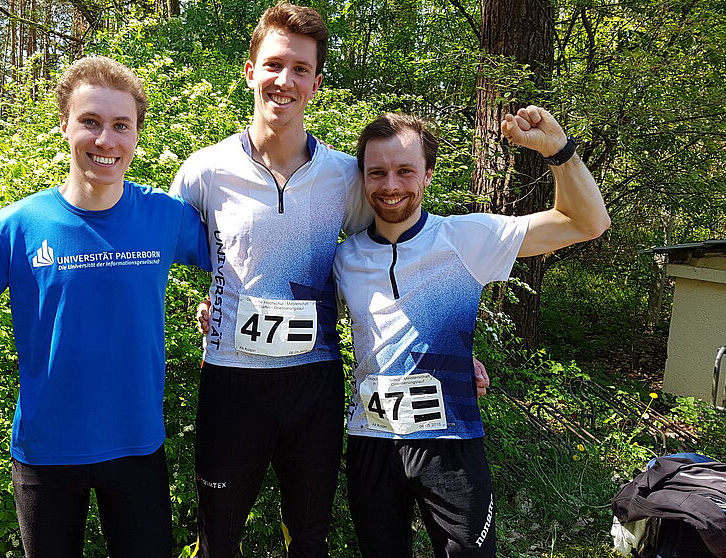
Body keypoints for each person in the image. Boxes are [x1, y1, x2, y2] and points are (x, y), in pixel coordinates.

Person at [0, 56, 210, 558]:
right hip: (47, 453)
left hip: (137, 444)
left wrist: (221, 304)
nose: (106, 139)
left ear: (136, 134)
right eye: (90, 121)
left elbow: (241, 259)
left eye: (121, 125)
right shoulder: (19, 225)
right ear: (64, 125)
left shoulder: (166, 217)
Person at [334, 110, 610, 557]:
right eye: (377, 172)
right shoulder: (344, 257)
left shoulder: (465, 236)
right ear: (363, 178)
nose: (390, 185)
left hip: (451, 443)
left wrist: (558, 151)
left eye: (405, 170)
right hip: (372, 439)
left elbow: (586, 223)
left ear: (428, 174)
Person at [168, 3, 373, 556]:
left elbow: (385, 259)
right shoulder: (205, 169)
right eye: (274, 64)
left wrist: (442, 354)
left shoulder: (345, 176)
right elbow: (174, 251)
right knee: (218, 537)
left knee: (309, 537)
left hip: (315, 380)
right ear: (250, 71)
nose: (285, 80)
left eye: (301, 69)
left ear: (316, 83)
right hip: (232, 381)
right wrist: (211, 297)